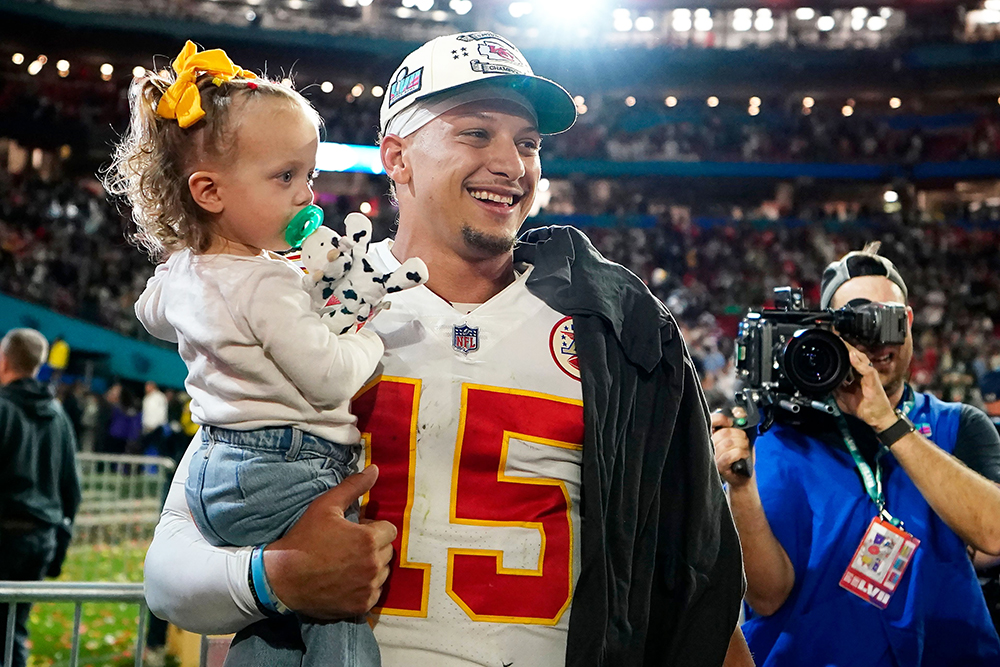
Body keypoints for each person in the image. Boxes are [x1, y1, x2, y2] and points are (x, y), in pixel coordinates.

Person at [144, 32, 750, 667]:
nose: (512, 164)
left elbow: (688, 575)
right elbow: (169, 574)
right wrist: (279, 579)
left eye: (528, 143)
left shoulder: (612, 329)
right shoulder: (301, 298)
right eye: (475, 133)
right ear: (398, 156)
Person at [105, 41, 425, 666]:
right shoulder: (268, 282)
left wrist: (203, 297)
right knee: (337, 610)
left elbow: (152, 315)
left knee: (280, 630)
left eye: (307, 174)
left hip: (216, 470)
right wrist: (367, 337)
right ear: (210, 191)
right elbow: (329, 377)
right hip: (288, 466)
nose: (306, 194)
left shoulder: (185, 272)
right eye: (285, 178)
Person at [713, 242, 1000, 666]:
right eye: (857, 322)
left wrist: (888, 424)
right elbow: (768, 597)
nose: (877, 339)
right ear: (827, 330)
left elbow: (993, 536)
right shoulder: (776, 439)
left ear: (910, 321)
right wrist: (740, 489)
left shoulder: (956, 425)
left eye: (889, 319)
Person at [0, 328, 81, 667]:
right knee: (12, 631)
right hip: (40, 539)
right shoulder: (58, 416)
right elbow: (71, 490)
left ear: (4, 360)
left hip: (5, 536)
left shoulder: (3, 408)